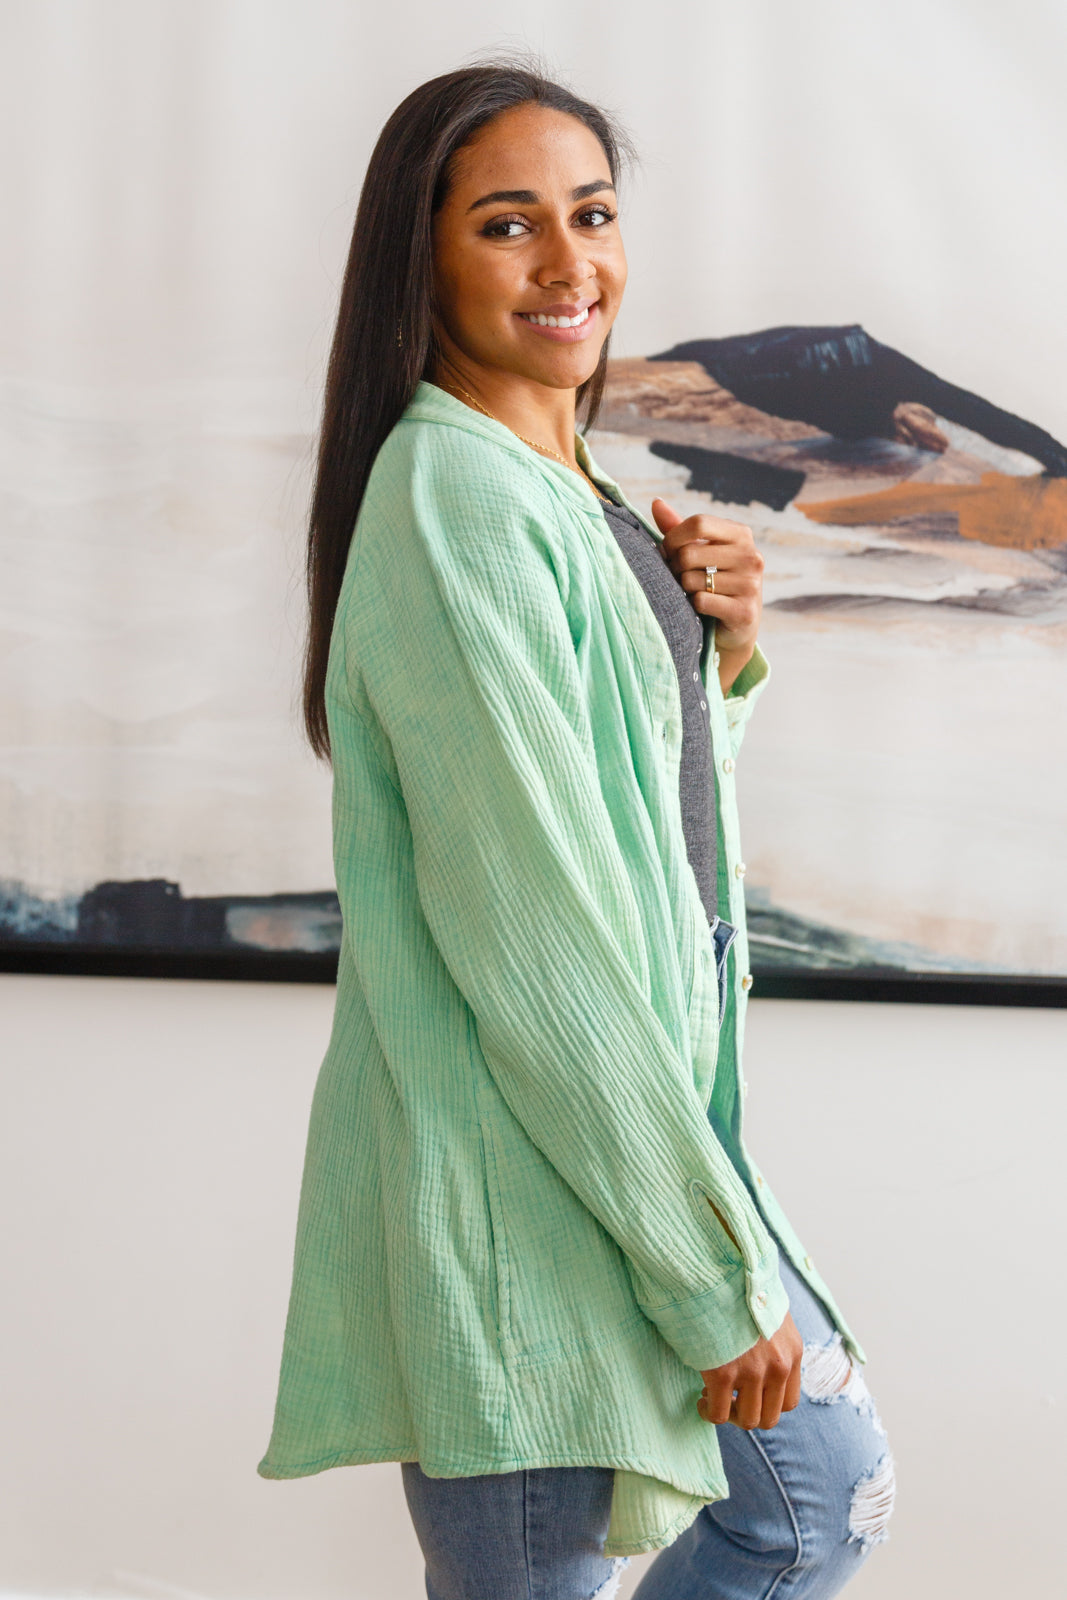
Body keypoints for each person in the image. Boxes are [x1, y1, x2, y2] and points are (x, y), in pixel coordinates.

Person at [257, 56, 895, 1600]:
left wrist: (716, 658)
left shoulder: (563, 489)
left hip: (612, 1147)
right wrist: (707, 1274)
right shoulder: (459, 501)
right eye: (507, 224)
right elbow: (534, 931)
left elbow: (626, 818)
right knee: (802, 1506)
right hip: (525, 1189)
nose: (568, 262)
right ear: (421, 260)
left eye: (592, 214)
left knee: (821, 1502)